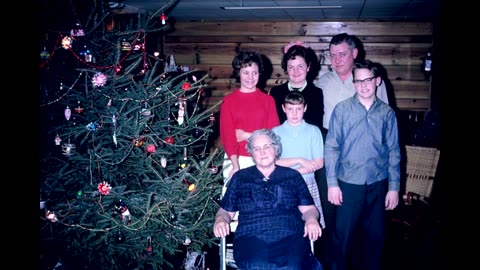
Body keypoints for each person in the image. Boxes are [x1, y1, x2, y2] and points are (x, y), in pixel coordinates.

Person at [313, 33, 390, 269]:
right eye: (333, 55)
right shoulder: (323, 82)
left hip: (364, 154)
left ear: (354, 54)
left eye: (342, 54)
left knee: (366, 219)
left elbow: (383, 120)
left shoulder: (370, 80)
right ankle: (332, 260)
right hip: (331, 147)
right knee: (332, 210)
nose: (337, 60)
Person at [324, 59, 401, 270]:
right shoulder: (342, 110)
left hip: (378, 183)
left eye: (368, 80)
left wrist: (393, 188)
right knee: (343, 237)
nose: (363, 85)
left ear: (377, 81)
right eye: (358, 81)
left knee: (375, 239)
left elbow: (394, 151)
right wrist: (332, 184)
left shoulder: (387, 113)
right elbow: (331, 147)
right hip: (348, 183)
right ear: (353, 83)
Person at [213, 129, 323, 269]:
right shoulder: (240, 178)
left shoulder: (293, 176)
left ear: (276, 148)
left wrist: (312, 219)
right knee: (256, 264)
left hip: (290, 236)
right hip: (252, 237)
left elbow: (309, 209)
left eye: (267, 147)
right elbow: (225, 211)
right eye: (256, 149)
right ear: (251, 153)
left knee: (294, 265)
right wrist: (220, 220)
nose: (262, 152)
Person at [219, 51, 280, 180]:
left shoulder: (268, 101)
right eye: (246, 72)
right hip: (236, 159)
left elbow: (273, 135)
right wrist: (236, 166)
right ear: (238, 74)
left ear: (259, 74)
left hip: (263, 159)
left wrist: (246, 135)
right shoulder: (228, 102)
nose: (250, 77)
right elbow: (228, 137)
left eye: (254, 73)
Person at [272, 91, 326, 229]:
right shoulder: (275, 132)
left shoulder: (314, 131)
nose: (294, 114)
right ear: (284, 108)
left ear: (305, 108)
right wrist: (300, 160)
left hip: (307, 182)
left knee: (310, 223)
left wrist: (296, 172)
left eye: (298, 109)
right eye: (290, 109)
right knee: (285, 224)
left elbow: (319, 162)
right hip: (283, 183)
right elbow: (273, 161)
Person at [269, 41, 324, 133]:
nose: (296, 71)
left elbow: (316, 126)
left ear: (308, 67)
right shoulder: (276, 92)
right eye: (291, 67)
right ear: (286, 68)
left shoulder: (316, 93)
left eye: (300, 66)